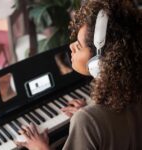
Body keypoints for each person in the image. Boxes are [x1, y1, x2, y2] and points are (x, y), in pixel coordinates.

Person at [15, 0, 142, 149]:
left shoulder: (87, 120)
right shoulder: (133, 90)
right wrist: (92, 118)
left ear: (100, 62)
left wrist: (39, 147)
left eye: (79, 45)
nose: (71, 46)